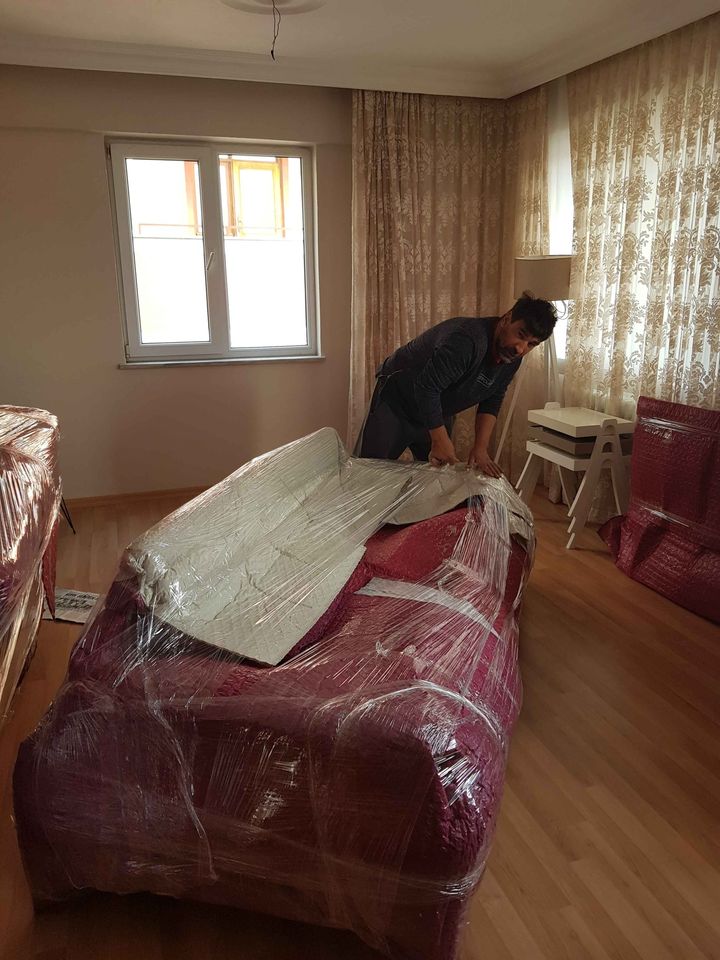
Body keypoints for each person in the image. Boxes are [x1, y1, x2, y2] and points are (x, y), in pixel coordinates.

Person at [355, 294, 557, 476]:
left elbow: (493, 397)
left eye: (532, 344)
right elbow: (427, 387)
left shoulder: (512, 358)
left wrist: (480, 448)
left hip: (436, 408)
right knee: (369, 474)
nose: (521, 349)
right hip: (397, 401)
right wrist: (439, 439)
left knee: (435, 479)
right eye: (520, 334)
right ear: (507, 319)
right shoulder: (468, 340)